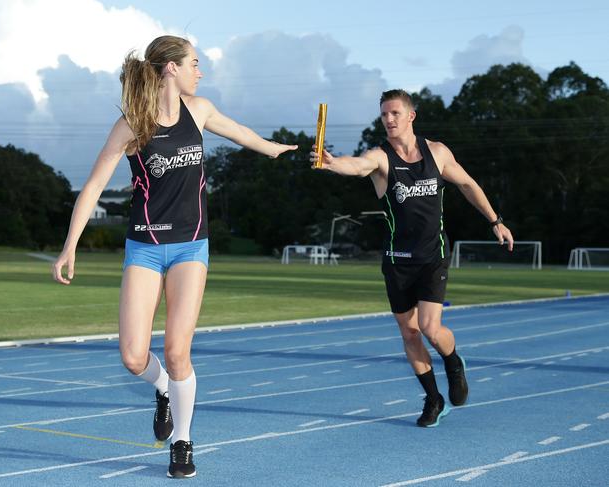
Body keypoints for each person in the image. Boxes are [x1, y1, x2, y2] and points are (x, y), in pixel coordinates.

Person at [52, 35, 297, 478]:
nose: (200, 71)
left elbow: (239, 132)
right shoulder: (132, 124)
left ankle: (182, 442)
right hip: (144, 247)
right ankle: (163, 386)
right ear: (170, 68)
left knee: (178, 350)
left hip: (191, 245)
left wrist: (275, 148)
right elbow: (92, 187)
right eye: (194, 63)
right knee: (132, 356)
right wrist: (70, 246)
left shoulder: (199, 110)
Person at [310, 89, 514, 427]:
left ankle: (453, 361)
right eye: (384, 115)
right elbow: (358, 166)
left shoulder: (437, 152)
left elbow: (467, 184)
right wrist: (333, 163)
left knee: (431, 328)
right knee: (409, 333)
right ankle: (433, 399)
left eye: (394, 114)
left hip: (433, 254)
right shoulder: (382, 157)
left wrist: (495, 221)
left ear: (410, 116)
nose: (388, 120)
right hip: (397, 260)